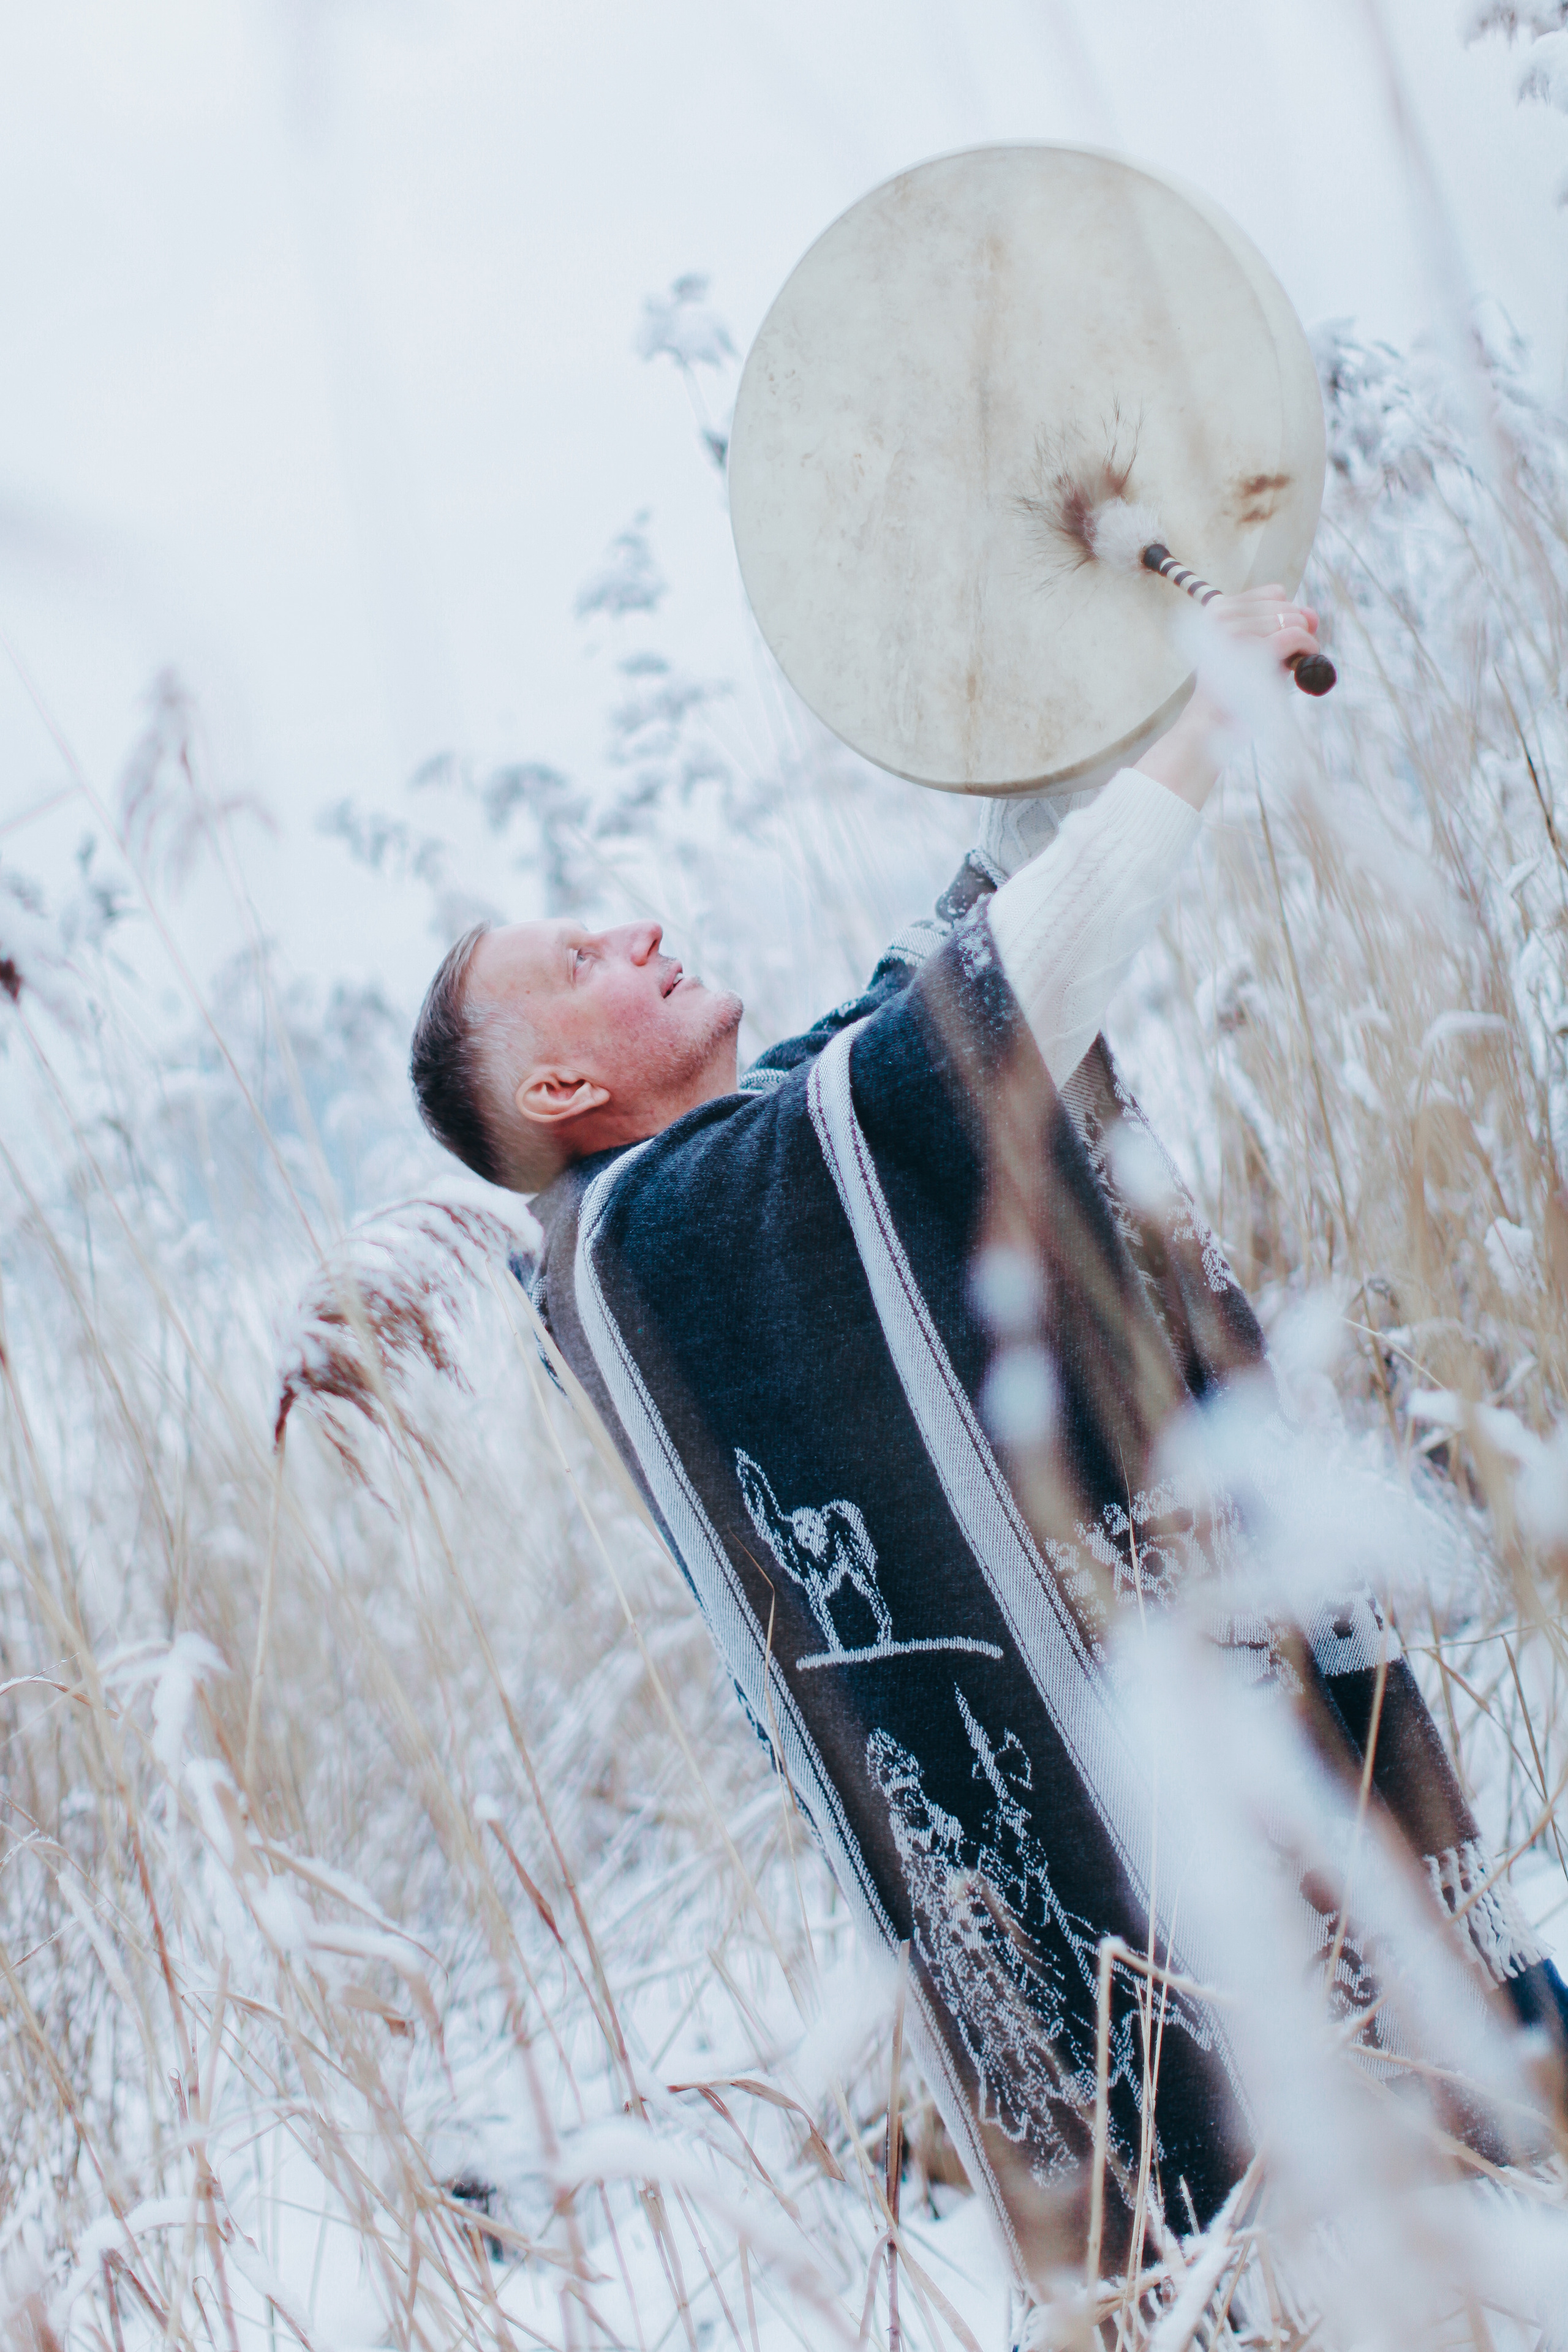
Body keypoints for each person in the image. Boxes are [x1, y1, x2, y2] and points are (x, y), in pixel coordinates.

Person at [410, 589, 1565, 2286]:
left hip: (1152, 1820)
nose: (634, 934)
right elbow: (988, 1012)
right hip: (1149, 1856)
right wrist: (1206, 723)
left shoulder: (708, 1191)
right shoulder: (656, 1232)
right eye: (580, 963)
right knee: (1307, 2189)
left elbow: (949, 973)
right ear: (565, 1095)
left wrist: (1134, 679)